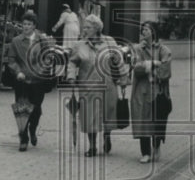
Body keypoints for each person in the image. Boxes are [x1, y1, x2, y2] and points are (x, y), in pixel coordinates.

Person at [67, 14, 129, 157]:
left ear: (96, 28)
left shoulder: (109, 42)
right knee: (89, 117)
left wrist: (124, 78)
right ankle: (92, 146)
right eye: (84, 27)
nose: (85, 30)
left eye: (88, 27)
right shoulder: (79, 45)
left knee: (108, 115)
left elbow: (119, 61)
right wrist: (70, 76)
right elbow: (72, 62)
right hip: (87, 87)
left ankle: (107, 136)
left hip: (107, 85)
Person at [4, 11, 54, 151]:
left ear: (34, 26)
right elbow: (11, 60)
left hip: (38, 81)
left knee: (36, 110)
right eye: (24, 24)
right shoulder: (16, 41)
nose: (26, 27)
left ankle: (33, 129)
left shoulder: (42, 40)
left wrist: (42, 69)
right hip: (22, 80)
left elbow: (48, 58)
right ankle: (23, 138)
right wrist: (18, 71)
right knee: (22, 109)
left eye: (29, 24)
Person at [129, 21, 173, 164]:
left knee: (157, 120)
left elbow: (166, 70)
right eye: (142, 30)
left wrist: (148, 65)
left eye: (147, 29)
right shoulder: (137, 49)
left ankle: (156, 146)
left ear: (153, 32)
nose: (144, 32)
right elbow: (136, 68)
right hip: (141, 90)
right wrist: (153, 63)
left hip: (157, 91)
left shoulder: (163, 49)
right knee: (142, 120)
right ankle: (145, 152)